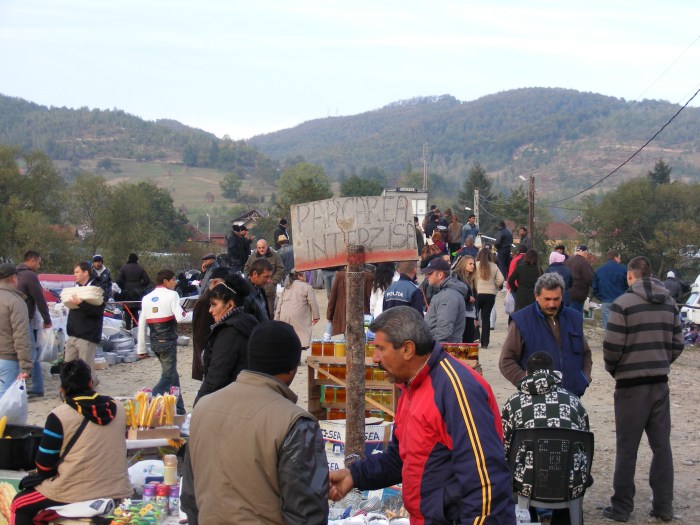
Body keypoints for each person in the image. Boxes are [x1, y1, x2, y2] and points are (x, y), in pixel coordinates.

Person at [329, 307, 514, 524]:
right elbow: (400, 459)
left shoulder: (456, 389)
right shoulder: (410, 387)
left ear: (407, 349)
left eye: (380, 348)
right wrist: (354, 476)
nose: (375, 358)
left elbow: (487, 483)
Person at [182, 321, 329, 525]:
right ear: (292, 369)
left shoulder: (202, 408)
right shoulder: (294, 422)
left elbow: (190, 498)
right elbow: (307, 513)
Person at [602, 256, 684, 523]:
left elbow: (612, 348)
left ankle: (622, 508)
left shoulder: (622, 304)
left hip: (630, 386)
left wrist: (617, 370)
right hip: (660, 384)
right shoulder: (670, 303)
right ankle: (663, 506)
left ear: (630, 275)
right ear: (651, 275)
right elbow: (678, 344)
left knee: (627, 448)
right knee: (662, 447)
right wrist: (661, 362)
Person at [10, 359, 132, 525]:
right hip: (117, 487)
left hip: (73, 491)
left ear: (63, 388)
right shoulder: (118, 408)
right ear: (91, 382)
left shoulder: (59, 416)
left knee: (19, 504)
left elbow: (44, 466)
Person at [501, 352, 590, 525]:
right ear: (553, 373)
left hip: (527, 484)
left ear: (526, 373)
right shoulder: (573, 402)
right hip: (568, 483)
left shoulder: (513, 403)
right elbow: (585, 447)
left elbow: (505, 449)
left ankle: (528, 519)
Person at [499, 272, 592, 397]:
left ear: (562, 296)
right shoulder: (522, 321)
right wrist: (527, 383)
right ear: (536, 296)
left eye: (556, 299)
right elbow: (506, 360)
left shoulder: (574, 318)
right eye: (547, 299)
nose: (552, 304)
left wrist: (583, 379)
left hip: (571, 396)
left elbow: (585, 353)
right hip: (536, 399)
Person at [194, 275, 258, 404]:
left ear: (230, 305)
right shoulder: (248, 322)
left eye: (214, 304)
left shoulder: (229, 331)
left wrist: (199, 403)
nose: (210, 310)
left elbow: (216, 374)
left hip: (229, 401)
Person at [141, 269, 188, 414]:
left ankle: (179, 408)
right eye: (173, 279)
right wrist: (195, 314)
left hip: (154, 342)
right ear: (166, 281)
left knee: (172, 375)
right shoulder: (172, 295)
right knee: (168, 376)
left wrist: (141, 348)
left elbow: (142, 323)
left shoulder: (146, 298)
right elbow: (181, 318)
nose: (175, 282)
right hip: (168, 342)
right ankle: (150, 398)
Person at [16, 250, 51, 398]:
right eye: (39, 262)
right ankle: (37, 387)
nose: (39, 265)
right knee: (32, 354)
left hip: (12, 319)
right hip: (24, 320)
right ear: (33, 261)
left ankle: (18, 385)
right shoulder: (30, 275)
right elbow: (40, 298)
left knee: (16, 353)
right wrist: (47, 319)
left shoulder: (14, 274)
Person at [64, 261, 105, 385]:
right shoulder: (75, 288)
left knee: (86, 368)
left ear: (85, 272)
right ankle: (70, 390)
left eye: (77, 272)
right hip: (72, 333)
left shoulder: (96, 289)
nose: (74, 275)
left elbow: (97, 311)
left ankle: (90, 388)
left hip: (87, 335)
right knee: (68, 367)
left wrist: (81, 303)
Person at [191, 267, 230, 380]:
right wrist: (205, 363)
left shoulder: (214, 298)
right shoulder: (204, 302)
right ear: (215, 282)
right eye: (224, 284)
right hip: (208, 359)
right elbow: (200, 336)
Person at [0, 263, 32, 398]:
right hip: (7, 358)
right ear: (14, 278)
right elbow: (21, 335)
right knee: (4, 401)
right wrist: (25, 366)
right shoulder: (15, 301)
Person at [421, 258, 468, 343]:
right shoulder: (443, 293)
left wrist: (429, 345)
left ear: (440, 275)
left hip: (443, 347)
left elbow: (444, 331)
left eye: (430, 273)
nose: (427, 276)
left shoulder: (448, 296)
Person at [275, 269, 320, 349]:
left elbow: (279, 304)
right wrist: (316, 316)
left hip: (284, 314)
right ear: (299, 276)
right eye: (304, 274)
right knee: (300, 336)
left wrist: (276, 319)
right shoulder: (306, 286)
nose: (306, 276)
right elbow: (312, 302)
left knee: (287, 337)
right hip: (298, 314)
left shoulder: (286, 287)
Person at [325, 266, 373, 338]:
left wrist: (330, 316)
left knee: (348, 338)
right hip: (362, 315)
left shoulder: (340, 275)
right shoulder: (368, 276)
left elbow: (333, 297)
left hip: (346, 315)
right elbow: (369, 297)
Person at [243, 239, 285, 319]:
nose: (261, 249)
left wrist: (273, 281)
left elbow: (281, 269)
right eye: (259, 248)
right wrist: (251, 280)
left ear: (267, 246)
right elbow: (246, 269)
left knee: (270, 313)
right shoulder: (252, 257)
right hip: (255, 290)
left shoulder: (275, 256)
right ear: (257, 248)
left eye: (263, 247)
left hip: (269, 290)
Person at [475, 248, 504, 349]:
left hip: (478, 293)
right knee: (486, 319)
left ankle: (475, 338)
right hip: (490, 295)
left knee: (474, 317)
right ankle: (485, 343)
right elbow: (501, 279)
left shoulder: (476, 265)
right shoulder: (494, 266)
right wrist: (494, 285)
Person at [592, 250, 628, 328]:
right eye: (619, 258)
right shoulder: (623, 269)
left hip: (606, 302)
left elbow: (595, 288)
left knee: (608, 328)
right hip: (621, 302)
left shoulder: (599, 270)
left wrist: (601, 298)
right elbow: (628, 285)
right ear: (615, 258)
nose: (620, 260)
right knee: (621, 327)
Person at [115, 253, 151, 330]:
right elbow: (147, 280)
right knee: (135, 311)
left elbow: (118, 280)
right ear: (136, 260)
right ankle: (136, 329)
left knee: (127, 311)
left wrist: (123, 287)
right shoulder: (140, 268)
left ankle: (128, 329)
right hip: (137, 293)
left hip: (127, 292)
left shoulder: (124, 268)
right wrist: (141, 287)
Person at [453, 255, 478, 343]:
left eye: (473, 264)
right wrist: (467, 297)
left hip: (470, 313)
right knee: (463, 341)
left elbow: (475, 298)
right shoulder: (456, 276)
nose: (472, 266)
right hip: (461, 312)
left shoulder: (471, 278)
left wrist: (476, 317)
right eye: (470, 264)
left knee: (469, 341)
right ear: (463, 264)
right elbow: (454, 291)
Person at [564, 244, 594, 313]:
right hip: (577, 295)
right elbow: (590, 279)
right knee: (575, 316)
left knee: (566, 316)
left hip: (565, 294)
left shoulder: (567, 261)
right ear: (585, 252)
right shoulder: (584, 263)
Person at [244, 258, 273, 322]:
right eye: (266, 277)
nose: (269, 280)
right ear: (255, 274)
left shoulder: (260, 289)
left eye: (270, 277)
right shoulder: (245, 295)